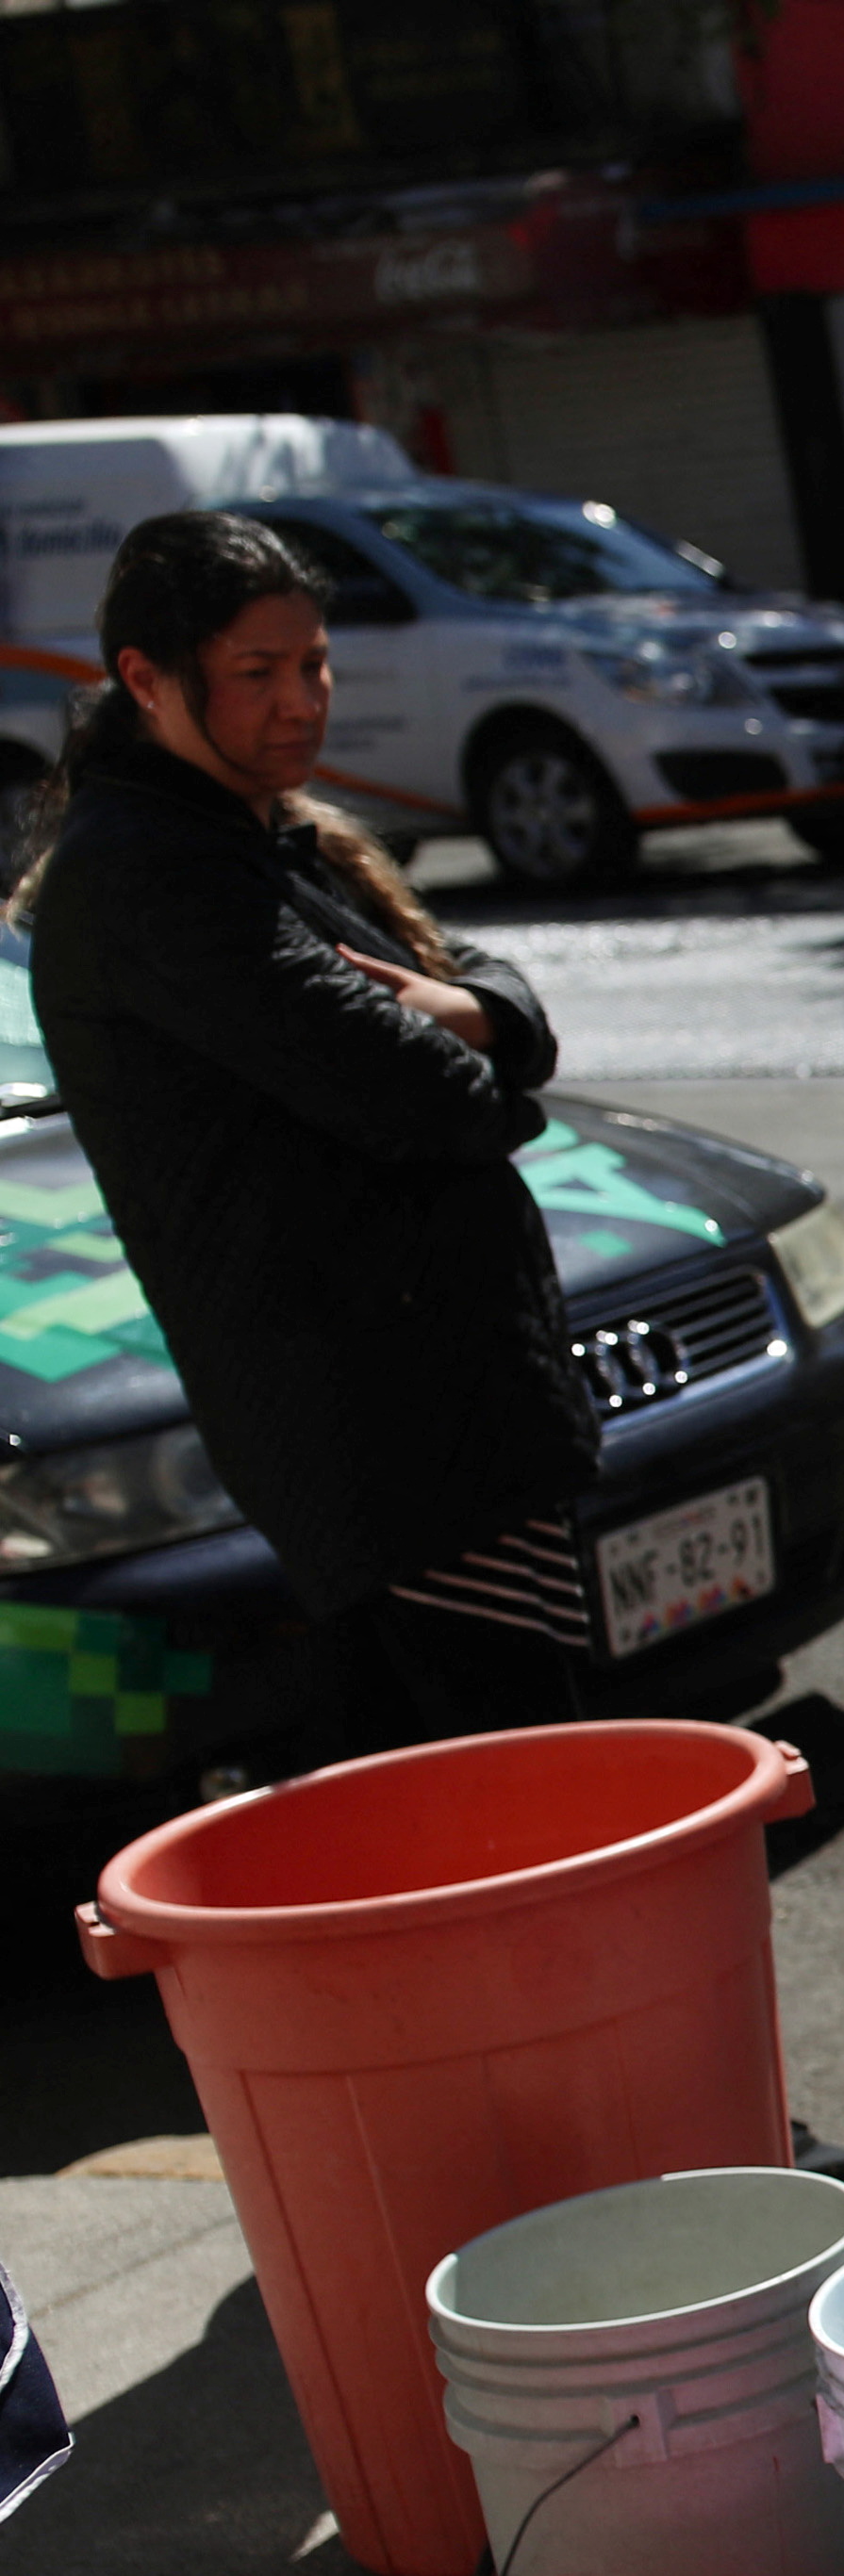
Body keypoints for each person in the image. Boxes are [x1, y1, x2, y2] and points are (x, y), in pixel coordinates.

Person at [13, 512, 603, 1752]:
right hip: (387, 1445)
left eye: (314, 664)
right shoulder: (154, 873)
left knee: (517, 1775)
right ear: (145, 680)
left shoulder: (256, 831)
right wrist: (483, 1051)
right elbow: (432, 1098)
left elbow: (468, 985)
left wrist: (471, 1013)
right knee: (499, 1791)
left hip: (444, 1421)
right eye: (257, 673)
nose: (302, 701)